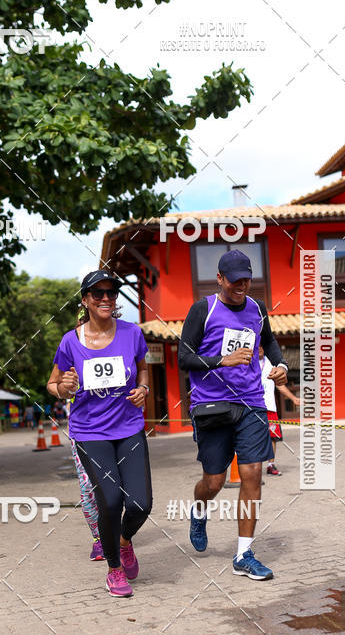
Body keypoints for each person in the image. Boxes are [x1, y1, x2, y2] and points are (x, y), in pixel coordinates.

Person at [178, 249, 288, 581]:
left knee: (252, 473)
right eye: (235, 280)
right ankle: (199, 511)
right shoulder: (203, 310)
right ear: (220, 279)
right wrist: (219, 361)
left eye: (246, 279)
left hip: (252, 402)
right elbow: (184, 357)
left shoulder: (257, 309)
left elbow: (269, 343)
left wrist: (280, 365)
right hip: (212, 406)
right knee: (214, 482)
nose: (241, 286)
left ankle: (243, 553)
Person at [47, 270, 152, 597]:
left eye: (111, 291)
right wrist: (63, 388)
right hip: (90, 432)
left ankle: (123, 542)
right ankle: (114, 569)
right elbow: (53, 384)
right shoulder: (71, 341)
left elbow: (144, 368)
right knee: (110, 501)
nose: (105, 297)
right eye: (97, 293)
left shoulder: (132, 333)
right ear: (85, 300)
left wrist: (144, 387)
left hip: (129, 427)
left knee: (141, 503)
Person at [259, 345, 300, 476]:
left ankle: (271, 465)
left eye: (261, 346)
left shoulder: (272, 363)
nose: (259, 348)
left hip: (270, 407)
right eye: (257, 346)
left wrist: (293, 398)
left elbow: (280, 385)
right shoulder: (249, 362)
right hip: (254, 407)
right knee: (254, 438)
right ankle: (253, 467)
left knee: (273, 437)